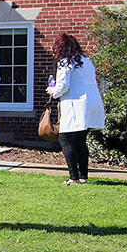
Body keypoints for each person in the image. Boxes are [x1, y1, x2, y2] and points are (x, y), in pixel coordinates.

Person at [46, 33, 106, 185]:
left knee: (65, 139)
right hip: (91, 103)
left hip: (76, 104)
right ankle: (83, 175)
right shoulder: (87, 62)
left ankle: (73, 177)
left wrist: (52, 90)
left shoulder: (65, 63)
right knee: (80, 140)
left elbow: (62, 87)